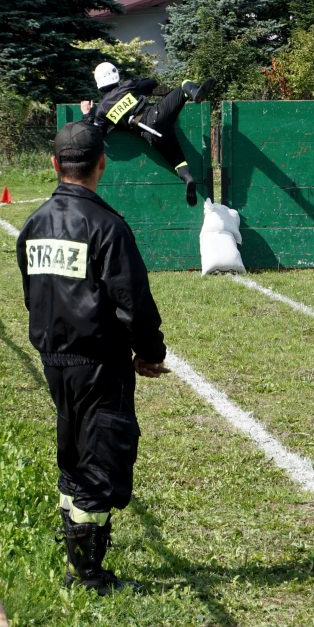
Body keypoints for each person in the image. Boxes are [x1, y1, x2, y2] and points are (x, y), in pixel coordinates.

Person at [16, 121, 169, 595]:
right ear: (102, 164)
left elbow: (31, 293)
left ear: (55, 164)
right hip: (99, 363)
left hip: (53, 359)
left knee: (74, 454)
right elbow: (132, 302)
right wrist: (149, 352)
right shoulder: (107, 226)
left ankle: (78, 555)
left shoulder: (34, 224)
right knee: (102, 460)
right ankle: (89, 577)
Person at [80, 62, 213, 207]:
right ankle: (195, 93)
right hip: (157, 116)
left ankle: (188, 178)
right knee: (183, 85)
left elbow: (95, 135)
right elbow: (152, 83)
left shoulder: (101, 112)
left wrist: (87, 114)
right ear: (115, 75)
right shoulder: (127, 86)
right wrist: (138, 84)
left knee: (177, 160)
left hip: (150, 136)